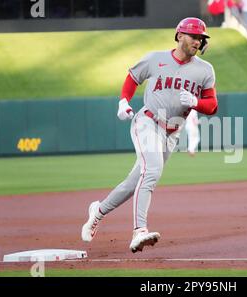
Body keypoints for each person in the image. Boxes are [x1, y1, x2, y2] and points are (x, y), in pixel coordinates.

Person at [81, 17, 218, 253]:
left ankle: (98, 211)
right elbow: (133, 77)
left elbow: (213, 105)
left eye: (200, 38)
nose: (198, 41)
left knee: (134, 183)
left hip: (172, 133)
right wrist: (123, 100)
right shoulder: (156, 59)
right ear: (179, 36)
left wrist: (197, 102)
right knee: (151, 171)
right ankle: (139, 231)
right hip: (147, 121)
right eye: (194, 36)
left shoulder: (205, 70)